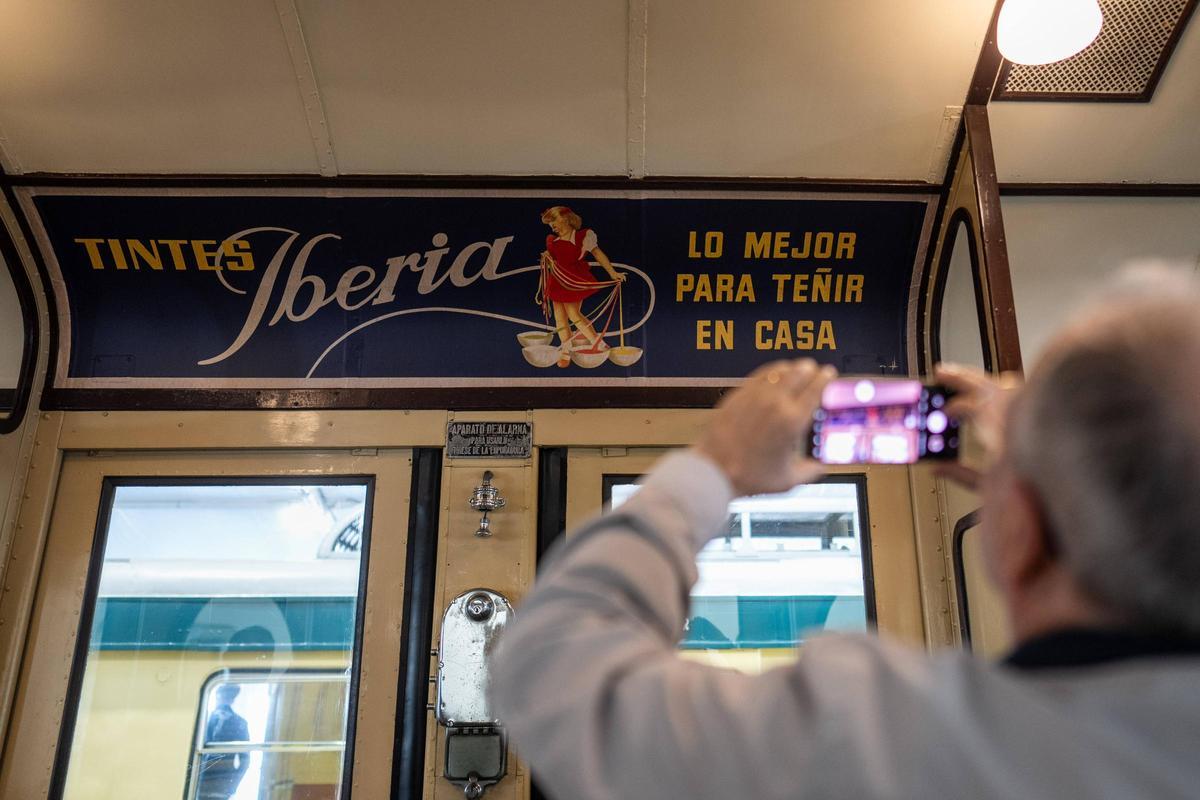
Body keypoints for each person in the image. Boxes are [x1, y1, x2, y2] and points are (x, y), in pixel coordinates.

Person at [491, 267, 1200, 799]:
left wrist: (718, 467)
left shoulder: (884, 740)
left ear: (1023, 536)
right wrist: (1052, 489)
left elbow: (552, 673)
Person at [538, 206, 626, 367]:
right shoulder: (552, 241)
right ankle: (566, 351)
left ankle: (598, 342)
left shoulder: (583, 236)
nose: (552, 227)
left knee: (574, 314)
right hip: (557, 281)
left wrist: (612, 272)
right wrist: (547, 256)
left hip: (574, 280)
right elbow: (554, 256)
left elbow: (598, 254)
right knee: (559, 318)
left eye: (554, 222)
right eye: (550, 224)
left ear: (566, 219)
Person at [194, 683, 251, 800]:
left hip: (203, 780)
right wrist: (232, 784)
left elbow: (245, 760)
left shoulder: (204, 719)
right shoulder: (240, 722)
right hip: (222, 783)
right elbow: (245, 761)